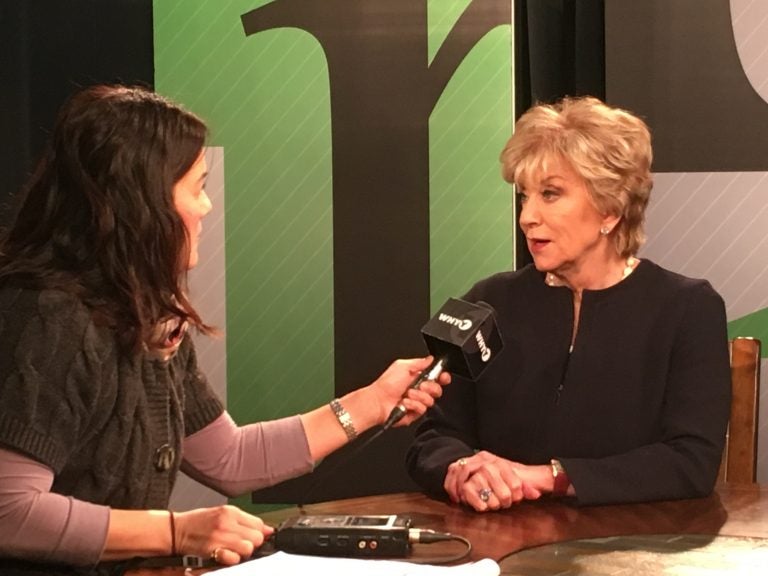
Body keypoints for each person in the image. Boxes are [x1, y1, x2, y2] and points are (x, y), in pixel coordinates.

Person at [0, 84, 450, 575]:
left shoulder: (151, 318)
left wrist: (373, 403)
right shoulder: (50, 321)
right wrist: (175, 531)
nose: (207, 208)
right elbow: (9, 512)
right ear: (142, 200)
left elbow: (231, 459)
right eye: (197, 187)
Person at [406, 96, 731, 511]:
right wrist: (462, 469)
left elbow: (690, 461)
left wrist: (548, 478)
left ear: (610, 209)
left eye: (550, 194)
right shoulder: (490, 302)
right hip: (498, 550)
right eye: (524, 196)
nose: (527, 216)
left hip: (632, 554)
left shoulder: (686, 309)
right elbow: (433, 437)